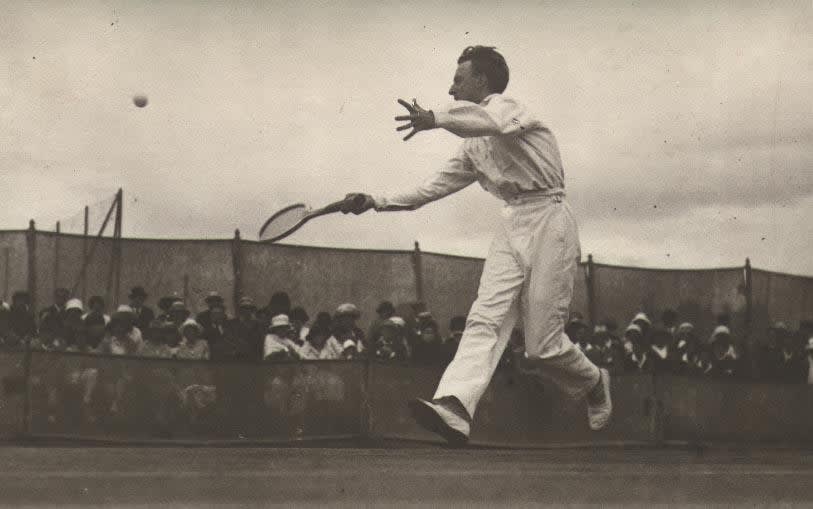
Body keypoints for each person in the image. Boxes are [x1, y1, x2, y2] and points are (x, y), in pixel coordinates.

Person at [341, 45, 610, 445]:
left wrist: (434, 118)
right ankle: (455, 407)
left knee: (541, 347)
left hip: (550, 218)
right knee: (484, 317)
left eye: (459, 79)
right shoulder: (472, 147)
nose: (451, 88)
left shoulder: (509, 108)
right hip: (511, 223)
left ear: (482, 81)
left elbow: (486, 121)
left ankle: (594, 381)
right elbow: (428, 190)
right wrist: (374, 201)